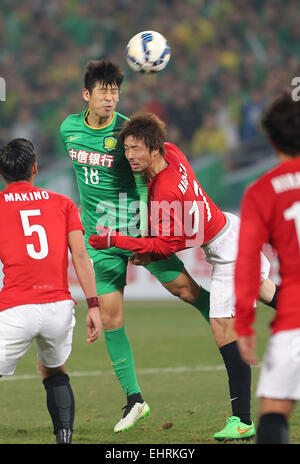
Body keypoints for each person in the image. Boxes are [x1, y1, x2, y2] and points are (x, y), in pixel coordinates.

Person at [88, 111, 278, 441]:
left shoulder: (164, 192)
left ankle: (243, 420)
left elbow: (165, 244)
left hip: (228, 252)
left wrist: (114, 240)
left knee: (222, 328)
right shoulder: (173, 152)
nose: (129, 155)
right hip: (231, 230)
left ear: (155, 149)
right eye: (127, 148)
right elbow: (164, 237)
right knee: (265, 290)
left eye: (136, 149)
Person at [60, 60, 217, 434]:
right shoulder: (68, 129)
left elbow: (146, 175)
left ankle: (228, 323)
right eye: (103, 91)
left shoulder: (126, 130)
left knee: (185, 290)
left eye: (115, 91)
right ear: (87, 94)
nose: (110, 98)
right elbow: (83, 176)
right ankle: (135, 400)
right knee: (112, 319)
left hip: (135, 228)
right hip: (99, 238)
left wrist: (148, 227)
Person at [0, 138, 102, 444]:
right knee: (54, 370)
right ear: (34, 168)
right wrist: (94, 306)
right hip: (59, 307)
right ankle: (64, 437)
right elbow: (81, 256)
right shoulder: (63, 204)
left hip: (17, 308)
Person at [234, 90, 300, 444]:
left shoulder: (262, 191)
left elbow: (246, 264)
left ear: (271, 139)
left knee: (274, 409)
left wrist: (243, 326)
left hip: (295, 321)